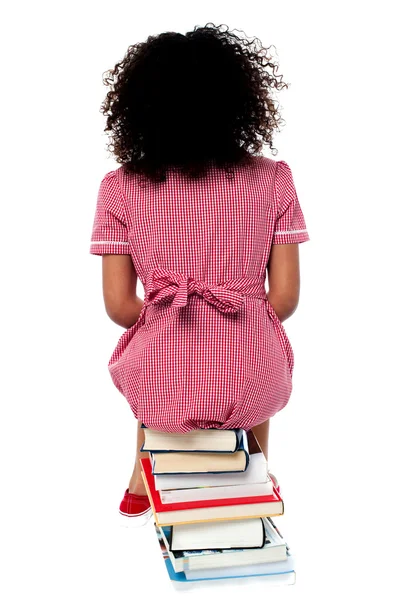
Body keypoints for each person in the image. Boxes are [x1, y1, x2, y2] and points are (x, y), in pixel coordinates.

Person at [89, 23, 310, 526]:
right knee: (258, 359)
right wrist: (231, 320)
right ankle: (254, 468)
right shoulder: (274, 178)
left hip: (164, 369)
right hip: (247, 364)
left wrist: (180, 324)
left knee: (154, 358)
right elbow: (286, 298)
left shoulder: (118, 187)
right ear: (240, 101)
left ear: (138, 107)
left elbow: (121, 308)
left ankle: (142, 473)